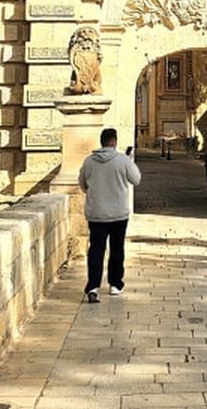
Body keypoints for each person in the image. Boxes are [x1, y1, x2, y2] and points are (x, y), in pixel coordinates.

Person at [78, 127, 142, 304]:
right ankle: (115, 284)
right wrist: (130, 162)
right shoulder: (122, 160)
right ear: (114, 141)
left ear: (102, 142)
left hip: (97, 213)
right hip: (118, 213)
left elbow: (82, 184)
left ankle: (92, 287)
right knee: (117, 249)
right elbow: (136, 179)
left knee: (96, 250)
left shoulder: (89, 161)